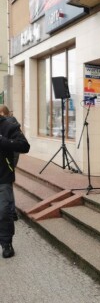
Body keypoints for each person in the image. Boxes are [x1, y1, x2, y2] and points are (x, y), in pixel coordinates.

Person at [0, 105, 30, 258]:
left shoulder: (9, 126)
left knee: (4, 211)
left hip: (3, 177)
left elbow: (25, 146)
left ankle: (6, 244)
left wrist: (3, 141)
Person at [0, 105, 21, 222]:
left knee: (7, 185)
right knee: (8, 186)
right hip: (9, 159)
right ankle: (11, 211)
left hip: (10, 159)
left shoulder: (10, 123)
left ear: (2, 113)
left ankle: (12, 212)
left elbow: (19, 145)